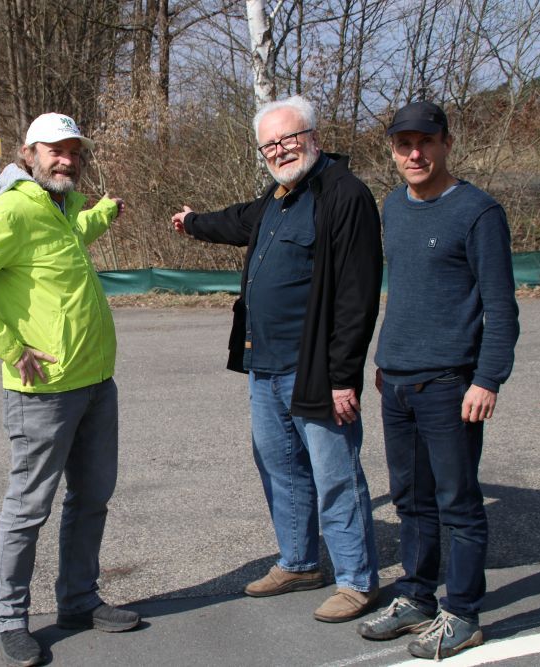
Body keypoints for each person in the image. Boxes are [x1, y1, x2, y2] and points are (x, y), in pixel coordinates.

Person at [0, 112, 138, 667]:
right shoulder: (13, 210)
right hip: (42, 391)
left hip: (97, 382)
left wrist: (103, 213)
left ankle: (78, 600)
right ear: (29, 153)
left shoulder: (62, 206)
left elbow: (71, 239)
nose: (66, 158)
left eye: (73, 150)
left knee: (92, 498)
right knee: (29, 508)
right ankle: (10, 619)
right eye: (55, 150)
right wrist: (9, 346)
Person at [172, 95, 383, 623]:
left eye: (288, 138)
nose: (279, 150)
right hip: (264, 366)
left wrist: (342, 376)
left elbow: (357, 294)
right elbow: (237, 221)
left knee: (335, 474)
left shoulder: (343, 195)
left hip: (314, 369)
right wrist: (193, 221)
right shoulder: (278, 196)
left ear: (313, 135)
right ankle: (299, 562)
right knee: (280, 468)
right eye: (269, 144)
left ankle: (357, 580)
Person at [357, 101, 520, 660]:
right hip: (397, 380)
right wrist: (387, 359)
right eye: (403, 144)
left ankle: (464, 613)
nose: (414, 153)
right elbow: (405, 290)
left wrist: (488, 379)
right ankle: (417, 598)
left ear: (447, 143)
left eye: (425, 142)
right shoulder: (393, 207)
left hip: (451, 385)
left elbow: (502, 307)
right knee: (410, 499)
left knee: (458, 502)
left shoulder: (478, 212)